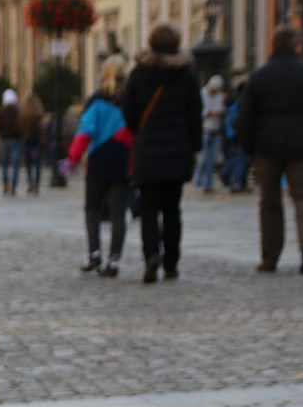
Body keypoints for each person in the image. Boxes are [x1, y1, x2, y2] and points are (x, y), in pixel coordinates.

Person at [123, 22, 202, 283]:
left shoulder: (138, 74)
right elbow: (195, 115)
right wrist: (194, 147)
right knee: (172, 210)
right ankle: (171, 263)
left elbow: (129, 114)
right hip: (177, 151)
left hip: (147, 151)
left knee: (148, 208)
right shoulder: (187, 74)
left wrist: (141, 133)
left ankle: (151, 255)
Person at [240, 25, 303, 274]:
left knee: (269, 202)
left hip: (266, 147)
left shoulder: (259, 76)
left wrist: (250, 150)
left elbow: (246, 118)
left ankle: (270, 256)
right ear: (295, 46)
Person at [62, 55, 133, 278]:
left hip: (98, 162)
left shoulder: (96, 101)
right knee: (118, 213)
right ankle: (113, 261)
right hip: (122, 161)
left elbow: (85, 132)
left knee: (92, 209)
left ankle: (94, 253)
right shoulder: (130, 102)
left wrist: (72, 159)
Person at [195, 74, 226, 192]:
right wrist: (209, 112)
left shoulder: (218, 96)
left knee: (212, 159)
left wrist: (219, 111)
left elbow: (222, 109)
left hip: (215, 130)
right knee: (202, 158)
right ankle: (199, 181)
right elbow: (198, 112)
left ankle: (208, 183)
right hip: (205, 130)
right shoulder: (202, 94)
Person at [221, 83, 251, 192]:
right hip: (241, 135)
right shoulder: (245, 103)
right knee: (242, 159)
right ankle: (238, 181)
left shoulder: (236, 102)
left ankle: (226, 172)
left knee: (236, 157)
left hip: (233, 135)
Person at [0, 88, 22, 195]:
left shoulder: (0, 112)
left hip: (4, 140)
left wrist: (2, 132)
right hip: (15, 140)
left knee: (4, 164)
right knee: (15, 164)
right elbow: (22, 126)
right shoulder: (18, 112)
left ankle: (5, 183)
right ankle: (13, 184)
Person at [19, 93, 45, 194]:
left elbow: (21, 131)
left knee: (29, 165)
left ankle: (30, 182)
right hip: (36, 143)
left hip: (27, 143)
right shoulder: (38, 115)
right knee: (37, 165)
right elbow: (41, 129)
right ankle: (37, 185)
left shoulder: (23, 116)